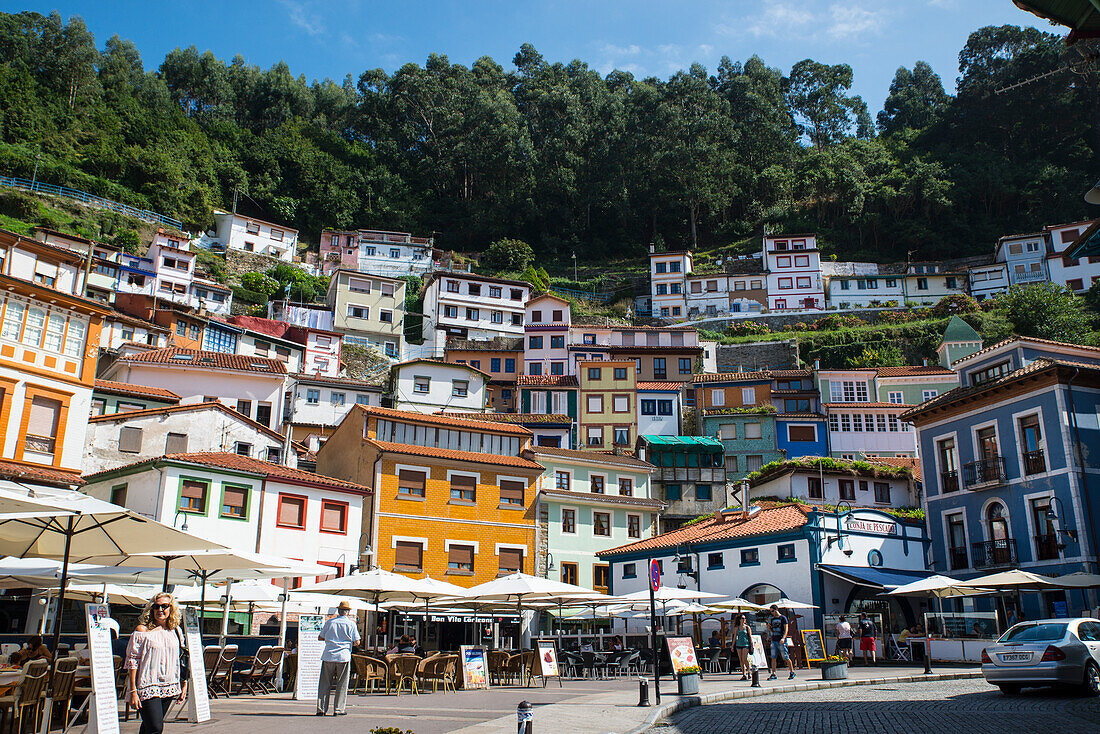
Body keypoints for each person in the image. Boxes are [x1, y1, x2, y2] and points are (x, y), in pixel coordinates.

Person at [125, 593, 187, 734]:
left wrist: (184, 683)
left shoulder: (176, 631)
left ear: (171, 609)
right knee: (155, 728)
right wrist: (133, 691)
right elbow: (133, 661)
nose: (160, 610)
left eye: (165, 606)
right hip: (147, 685)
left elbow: (181, 659)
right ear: (151, 609)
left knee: (148, 727)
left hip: (169, 684)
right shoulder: (143, 630)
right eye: (156, 606)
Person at [317, 600, 360, 717]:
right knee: (342, 683)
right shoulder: (351, 624)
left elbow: (320, 637)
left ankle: (321, 709)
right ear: (348, 612)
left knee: (325, 683)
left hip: (329, 654)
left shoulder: (330, 622)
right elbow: (357, 641)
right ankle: (338, 709)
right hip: (343, 655)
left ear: (339, 610)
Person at [766, 605, 795, 681]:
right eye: (771, 611)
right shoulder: (772, 619)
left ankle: (792, 671)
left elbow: (786, 629)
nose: (772, 613)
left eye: (772, 611)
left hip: (781, 640)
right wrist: (770, 629)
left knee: (785, 656)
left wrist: (783, 638)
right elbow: (773, 631)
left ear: (776, 610)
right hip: (774, 639)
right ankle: (773, 673)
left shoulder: (783, 618)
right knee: (773, 657)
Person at [731, 613, 753, 680]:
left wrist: (751, 645)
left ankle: (749, 671)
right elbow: (735, 637)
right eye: (742, 618)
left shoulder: (747, 627)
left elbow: (750, 637)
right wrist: (732, 646)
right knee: (740, 660)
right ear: (739, 620)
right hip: (738, 644)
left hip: (746, 644)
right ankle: (744, 674)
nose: (744, 620)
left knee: (744, 659)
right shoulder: (736, 628)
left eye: (744, 618)